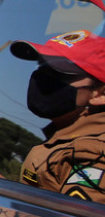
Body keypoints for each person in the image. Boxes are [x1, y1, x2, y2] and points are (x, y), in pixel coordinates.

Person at [10, 29, 105, 203]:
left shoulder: (91, 153)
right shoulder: (66, 139)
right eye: (42, 66)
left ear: (99, 94)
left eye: (61, 72)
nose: (43, 77)